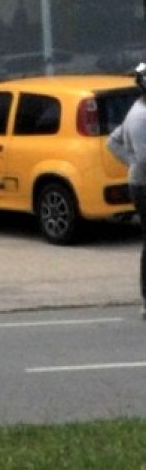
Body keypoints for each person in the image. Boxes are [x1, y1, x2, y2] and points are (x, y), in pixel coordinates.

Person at [106, 62, 146, 322]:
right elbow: (144, 158)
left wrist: (130, 163)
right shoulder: (141, 117)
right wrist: (133, 163)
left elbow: (113, 141)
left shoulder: (137, 110)